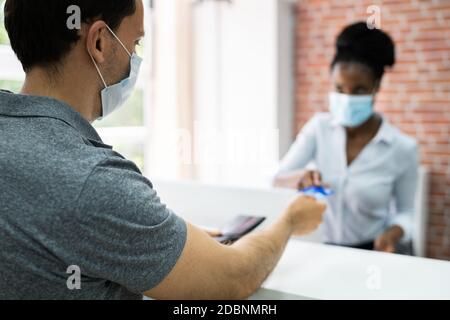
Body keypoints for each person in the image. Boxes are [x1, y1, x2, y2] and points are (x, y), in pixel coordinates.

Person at [0, 0, 326, 300]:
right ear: (99, 42)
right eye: (135, 43)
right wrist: (290, 220)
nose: (135, 57)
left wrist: (154, 236)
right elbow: (234, 276)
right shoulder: (93, 179)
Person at [273, 22, 419, 253]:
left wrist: (393, 233)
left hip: (372, 251)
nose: (347, 98)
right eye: (340, 89)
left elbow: (407, 213)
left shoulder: (402, 148)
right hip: (319, 249)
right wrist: (299, 178)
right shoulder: (318, 128)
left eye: (359, 90)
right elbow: (276, 179)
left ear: (376, 86)